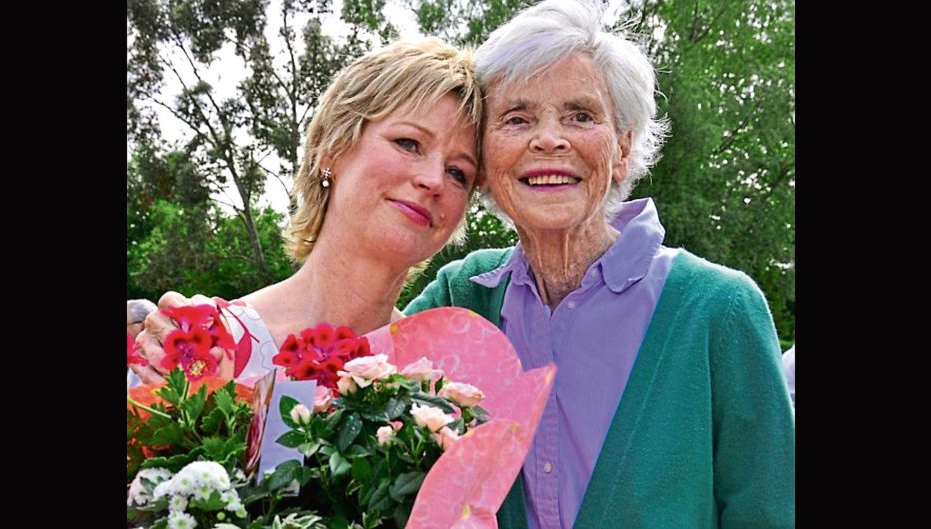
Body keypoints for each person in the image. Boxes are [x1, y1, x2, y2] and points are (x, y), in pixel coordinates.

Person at [404, 1, 795, 527]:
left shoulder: (719, 311)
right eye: (517, 119)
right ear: (485, 165)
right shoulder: (462, 296)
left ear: (623, 150)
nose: (548, 138)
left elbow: (771, 513)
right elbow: (338, 383)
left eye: (580, 116)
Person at [130, 37, 482, 385]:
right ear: (332, 149)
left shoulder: (445, 382)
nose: (434, 180)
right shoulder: (188, 353)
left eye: (458, 173)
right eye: (408, 143)